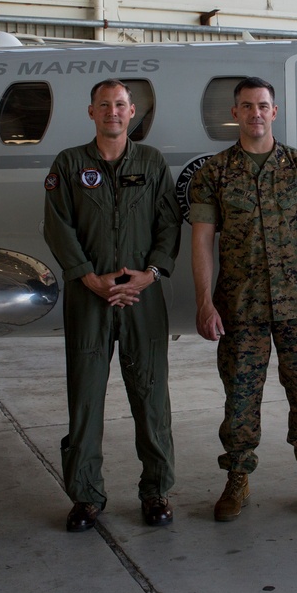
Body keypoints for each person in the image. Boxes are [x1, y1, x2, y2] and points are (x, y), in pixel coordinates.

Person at [190, 76, 297, 522]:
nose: (256, 112)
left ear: (275, 112)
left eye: (263, 105)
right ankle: (237, 479)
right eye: (247, 106)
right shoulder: (213, 173)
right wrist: (204, 301)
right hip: (239, 309)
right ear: (234, 113)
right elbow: (201, 242)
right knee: (239, 400)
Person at [43, 79, 181, 531]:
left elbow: (168, 224)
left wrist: (151, 273)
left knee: (151, 395)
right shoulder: (69, 164)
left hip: (142, 295)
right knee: (85, 397)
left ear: (132, 111)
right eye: (104, 105)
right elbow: (58, 226)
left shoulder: (152, 162)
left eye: (120, 105)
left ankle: (156, 491)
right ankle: (85, 496)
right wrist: (89, 277)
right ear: (91, 112)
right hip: (89, 296)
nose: (113, 112)